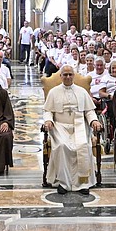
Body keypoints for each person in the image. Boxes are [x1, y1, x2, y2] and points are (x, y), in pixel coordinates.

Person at [42, 65, 103, 193]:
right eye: (65, 75)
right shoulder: (53, 92)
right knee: (62, 146)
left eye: (70, 74)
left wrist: (94, 121)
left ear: (73, 75)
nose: (68, 77)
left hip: (79, 126)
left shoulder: (82, 92)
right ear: (61, 76)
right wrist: (48, 120)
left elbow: (89, 111)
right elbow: (48, 111)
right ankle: (63, 183)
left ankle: (83, 183)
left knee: (83, 146)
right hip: (60, 127)